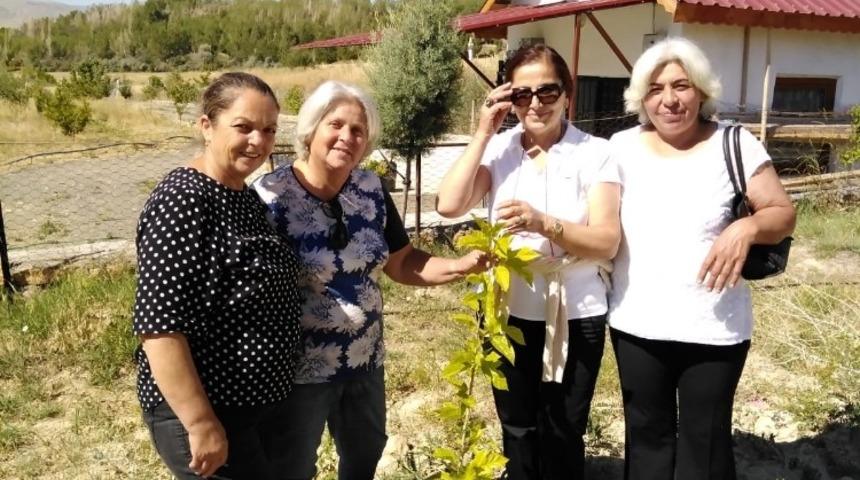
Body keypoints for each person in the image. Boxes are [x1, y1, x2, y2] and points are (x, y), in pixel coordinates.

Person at [252, 80, 488, 480]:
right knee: (290, 465)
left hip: (364, 358)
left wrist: (459, 265)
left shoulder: (371, 189)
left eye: (358, 130)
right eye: (336, 124)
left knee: (365, 453)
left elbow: (402, 262)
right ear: (312, 129)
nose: (347, 136)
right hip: (299, 370)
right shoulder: (270, 196)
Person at [607, 37, 796, 480]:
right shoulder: (619, 147)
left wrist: (746, 227)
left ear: (702, 92)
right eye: (656, 89)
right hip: (637, 323)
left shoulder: (735, 143)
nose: (669, 100)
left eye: (682, 86)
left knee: (705, 448)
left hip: (714, 327)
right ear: (641, 97)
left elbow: (782, 213)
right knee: (646, 440)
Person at [436, 44, 622, 480]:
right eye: (522, 94)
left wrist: (545, 223)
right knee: (517, 425)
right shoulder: (500, 150)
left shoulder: (595, 153)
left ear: (567, 94)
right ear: (509, 98)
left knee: (564, 425)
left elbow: (607, 241)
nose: (535, 103)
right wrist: (483, 131)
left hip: (576, 309)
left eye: (547, 91)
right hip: (508, 310)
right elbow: (448, 204)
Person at [133, 72, 303, 479]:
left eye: (269, 130)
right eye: (243, 127)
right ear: (206, 126)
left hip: (253, 408)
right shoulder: (184, 199)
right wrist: (200, 423)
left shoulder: (243, 196)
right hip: (209, 410)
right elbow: (160, 327)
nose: (259, 142)